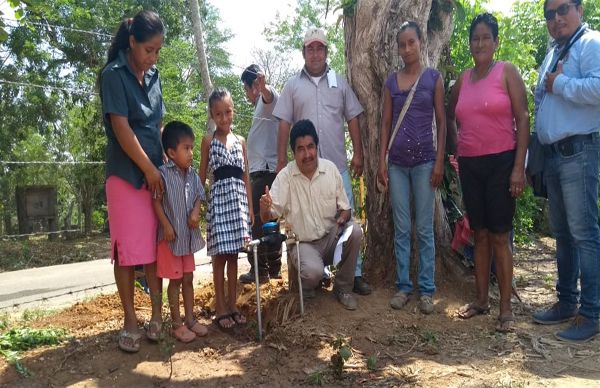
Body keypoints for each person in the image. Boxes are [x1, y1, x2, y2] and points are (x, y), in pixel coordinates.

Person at [273, 27, 371, 296]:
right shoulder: (292, 86)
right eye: (310, 49)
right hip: (303, 171)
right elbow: (283, 123)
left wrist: (359, 154)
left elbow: (352, 117)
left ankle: (354, 276)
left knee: (347, 224)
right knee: (306, 222)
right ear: (303, 52)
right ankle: (311, 274)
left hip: (336, 166)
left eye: (320, 48)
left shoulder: (339, 82)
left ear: (327, 51)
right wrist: (282, 160)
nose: (315, 54)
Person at [447, 13, 529, 333]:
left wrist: (518, 167)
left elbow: (523, 118)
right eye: (475, 38)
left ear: (495, 42)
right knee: (478, 232)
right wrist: (457, 150)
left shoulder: (506, 72)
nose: (480, 43)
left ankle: (505, 308)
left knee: (499, 235)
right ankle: (481, 300)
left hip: (501, 163)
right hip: (471, 165)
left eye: (485, 38)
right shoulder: (463, 80)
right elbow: (451, 116)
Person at [532, 0, 600, 343]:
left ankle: (591, 313)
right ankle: (567, 302)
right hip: (555, 155)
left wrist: (559, 85)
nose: (555, 19)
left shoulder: (591, 43)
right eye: (549, 14)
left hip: (579, 151)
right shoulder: (555, 50)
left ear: (580, 9)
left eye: (562, 10)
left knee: (584, 234)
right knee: (562, 232)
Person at [98, 10, 166, 353]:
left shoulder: (154, 78)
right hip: (126, 175)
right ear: (132, 42)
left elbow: (156, 127)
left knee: (153, 248)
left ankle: (156, 313)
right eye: (148, 50)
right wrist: (148, 169)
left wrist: (163, 166)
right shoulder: (113, 76)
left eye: (157, 51)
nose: (152, 57)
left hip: (154, 173)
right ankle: (129, 320)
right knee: (126, 252)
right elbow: (122, 129)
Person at [376, 21, 446, 314]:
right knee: (402, 228)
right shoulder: (391, 82)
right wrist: (381, 160)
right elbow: (385, 124)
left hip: (425, 163)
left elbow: (442, 122)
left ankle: (427, 290)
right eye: (402, 44)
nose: (406, 49)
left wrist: (440, 161)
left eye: (411, 43)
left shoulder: (433, 78)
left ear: (421, 43)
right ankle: (404, 286)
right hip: (397, 165)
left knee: (424, 229)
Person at [260, 119, 363, 310]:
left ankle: (343, 288)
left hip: (331, 239)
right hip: (303, 244)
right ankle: (305, 286)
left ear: (317, 146)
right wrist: (264, 207)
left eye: (310, 147)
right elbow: (268, 217)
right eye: (301, 149)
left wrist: (344, 216)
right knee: (312, 273)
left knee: (355, 231)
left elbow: (346, 208)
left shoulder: (331, 170)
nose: (307, 154)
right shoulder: (285, 177)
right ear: (293, 152)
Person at [199, 88, 253, 330]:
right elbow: (200, 177)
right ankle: (220, 307)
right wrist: (196, 207)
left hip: (238, 204)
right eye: (219, 114)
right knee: (219, 258)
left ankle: (233, 305)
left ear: (233, 111)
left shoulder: (241, 141)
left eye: (228, 112)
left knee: (233, 257)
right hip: (220, 204)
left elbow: (246, 176)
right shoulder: (208, 142)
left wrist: (250, 208)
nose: (224, 118)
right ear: (212, 115)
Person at [152, 121, 208, 343]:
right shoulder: (162, 175)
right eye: (186, 148)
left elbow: (199, 196)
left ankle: (191, 319)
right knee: (174, 281)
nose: (191, 153)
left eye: (192, 147)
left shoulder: (193, 175)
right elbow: (156, 202)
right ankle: (176, 324)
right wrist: (165, 225)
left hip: (188, 239)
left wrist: (196, 212)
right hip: (170, 240)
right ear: (171, 152)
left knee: (188, 278)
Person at [238, 64, 282, 284]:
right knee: (270, 220)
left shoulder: (267, 100)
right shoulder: (260, 107)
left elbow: (269, 96)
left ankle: (260, 270)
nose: (247, 94)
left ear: (252, 86)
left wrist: (262, 88)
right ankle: (272, 267)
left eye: (247, 89)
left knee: (257, 220)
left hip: (265, 171)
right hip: (264, 171)